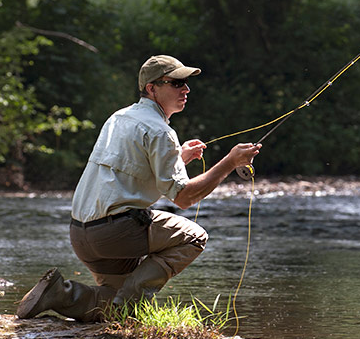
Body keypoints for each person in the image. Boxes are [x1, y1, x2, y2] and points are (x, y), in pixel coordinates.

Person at [16, 55, 261, 321]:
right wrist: (229, 162)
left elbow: (129, 171)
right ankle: (128, 305)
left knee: (112, 305)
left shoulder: (118, 117)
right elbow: (184, 198)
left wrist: (178, 158)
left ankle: (60, 294)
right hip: (115, 234)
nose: (186, 89)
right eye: (177, 83)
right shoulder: (160, 131)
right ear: (151, 88)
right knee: (195, 237)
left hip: (81, 234)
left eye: (186, 83)